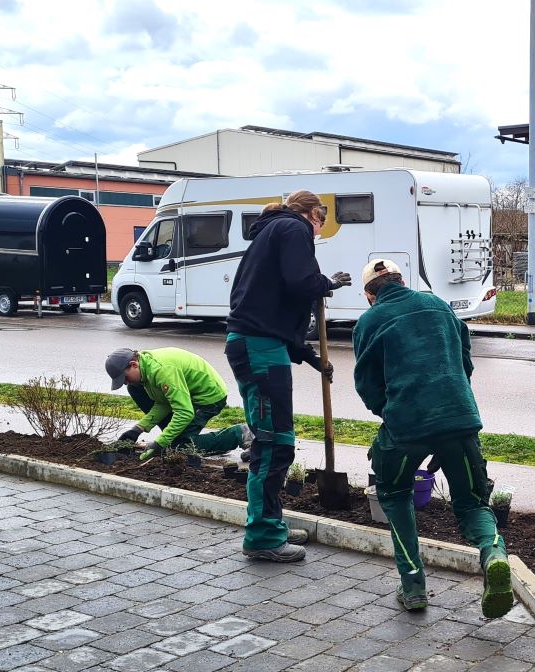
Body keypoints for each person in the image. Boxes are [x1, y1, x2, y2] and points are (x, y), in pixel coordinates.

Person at [353, 259, 512, 618]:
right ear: (403, 281)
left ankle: (413, 588)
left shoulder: (370, 320)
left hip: (406, 428)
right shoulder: (437, 304)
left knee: (394, 496)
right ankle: (493, 555)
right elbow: (465, 356)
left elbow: (366, 382)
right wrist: (455, 399)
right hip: (459, 420)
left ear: (369, 295)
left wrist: (388, 410)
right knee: (472, 504)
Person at [224, 190, 352, 563]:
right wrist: (327, 283)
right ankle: (263, 537)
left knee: (275, 441)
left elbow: (273, 308)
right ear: (314, 213)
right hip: (259, 350)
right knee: (273, 445)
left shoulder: (272, 231)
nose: (317, 232)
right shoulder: (293, 228)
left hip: (264, 345)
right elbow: (301, 283)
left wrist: (308, 357)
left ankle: (271, 525)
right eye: (321, 223)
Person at [105, 347, 252, 461]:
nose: (125, 382)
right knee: (173, 441)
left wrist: (160, 443)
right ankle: (208, 442)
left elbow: (185, 412)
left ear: (133, 364)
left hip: (208, 398)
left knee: (179, 447)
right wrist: (137, 429)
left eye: (125, 378)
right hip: (187, 396)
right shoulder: (146, 368)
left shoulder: (162, 371)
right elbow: (163, 403)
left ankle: (239, 434)